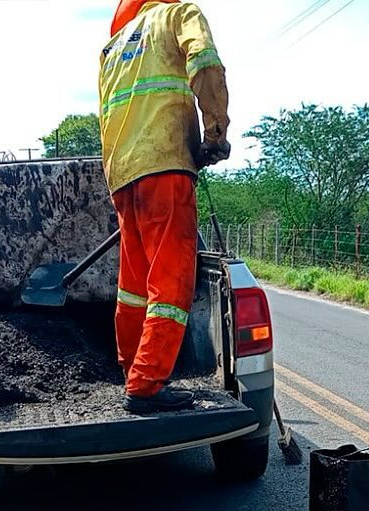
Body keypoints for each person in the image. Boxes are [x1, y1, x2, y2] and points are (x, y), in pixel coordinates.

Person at [99, 0, 231, 413]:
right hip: (166, 165)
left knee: (134, 284)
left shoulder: (111, 50)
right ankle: (147, 384)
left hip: (122, 174)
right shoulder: (178, 15)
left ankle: (131, 368)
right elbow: (206, 64)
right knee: (170, 282)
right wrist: (214, 132)